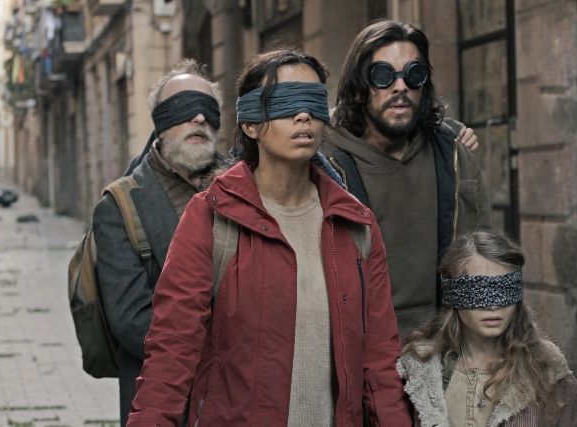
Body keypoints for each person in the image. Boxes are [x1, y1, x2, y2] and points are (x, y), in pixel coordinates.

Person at [127, 48, 412, 426]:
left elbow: (379, 360)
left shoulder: (356, 224)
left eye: (313, 102)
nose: (303, 115)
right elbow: (172, 349)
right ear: (250, 124)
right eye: (285, 102)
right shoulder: (210, 217)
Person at [321, 20, 492, 334]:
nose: (400, 87)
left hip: (443, 345)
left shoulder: (454, 155)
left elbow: (484, 260)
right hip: (358, 349)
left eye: (413, 74)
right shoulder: (323, 163)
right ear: (358, 87)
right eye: (382, 75)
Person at [92, 59, 223, 426]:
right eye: (183, 109)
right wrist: (224, 347)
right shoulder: (119, 206)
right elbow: (130, 319)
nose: (199, 118)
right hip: (165, 401)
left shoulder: (246, 186)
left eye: (207, 109)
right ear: (160, 125)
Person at [397, 231, 577, 426]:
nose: (493, 306)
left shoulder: (545, 368)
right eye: (479, 291)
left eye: (504, 290)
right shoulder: (420, 370)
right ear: (453, 294)